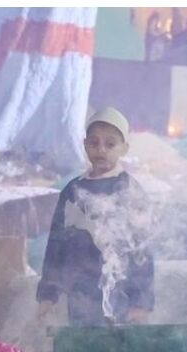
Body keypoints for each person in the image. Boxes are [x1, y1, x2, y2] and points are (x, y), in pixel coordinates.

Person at [36, 107, 155, 327]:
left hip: (121, 297)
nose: (101, 150)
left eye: (110, 144)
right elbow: (55, 246)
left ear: (124, 148)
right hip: (79, 297)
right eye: (94, 143)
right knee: (84, 349)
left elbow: (142, 252)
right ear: (84, 145)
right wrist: (48, 294)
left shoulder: (130, 192)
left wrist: (141, 302)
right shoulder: (72, 192)